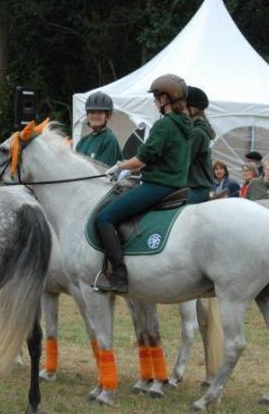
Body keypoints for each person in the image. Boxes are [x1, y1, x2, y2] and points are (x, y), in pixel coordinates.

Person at [95, 74, 193, 294]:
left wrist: (119, 166)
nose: (155, 101)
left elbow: (142, 158)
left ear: (166, 98)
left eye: (157, 96)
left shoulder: (165, 125)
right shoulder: (185, 124)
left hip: (158, 186)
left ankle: (119, 275)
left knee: (105, 218)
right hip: (176, 185)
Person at [185, 86, 215, 204]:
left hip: (197, 189)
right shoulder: (199, 129)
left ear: (192, 109)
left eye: (182, 107)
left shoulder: (197, 132)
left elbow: (182, 162)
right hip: (199, 187)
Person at [76, 92, 122, 167]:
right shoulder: (82, 141)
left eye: (100, 112)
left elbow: (103, 171)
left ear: (107, 115)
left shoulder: (109, 139)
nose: (95, 115)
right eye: (92, 112)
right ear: (87, 115)